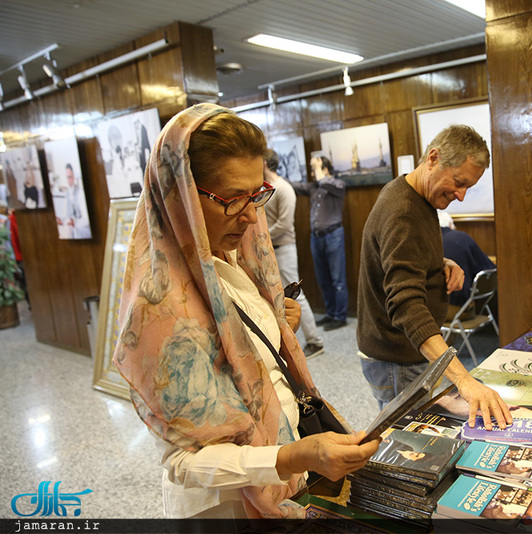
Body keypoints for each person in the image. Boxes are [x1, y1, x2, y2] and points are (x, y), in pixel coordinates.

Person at [112, 103, 379, 520]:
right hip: (226, 506)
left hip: (283, 476)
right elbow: (184, 462)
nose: (252, 215)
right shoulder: (159, 305)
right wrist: (291, 456)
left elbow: (249, 357)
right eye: (233, 199)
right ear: (180, 196)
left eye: (257, 194)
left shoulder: (236, 259)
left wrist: (274, 328)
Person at [357, 124, 512, 430]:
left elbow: (396, 255)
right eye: (458, 182)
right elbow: (406, 305)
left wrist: (440, 261)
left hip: (406, 352)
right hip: (397, 357)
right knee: (408, 444)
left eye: (469, 187)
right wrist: (464, 379)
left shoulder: (415, 196)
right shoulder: (402, 211)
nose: (461, 196)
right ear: (433, 157)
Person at [263, 150, 325, 358]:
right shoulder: (264, 188)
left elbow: (284, 224)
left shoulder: (283, 188)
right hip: (269, 249)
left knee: (296, 295)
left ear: (264, 163)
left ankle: (315, 342)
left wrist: (260, 238)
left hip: (283, 249)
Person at [291, 153, 348, 330]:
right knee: (323, 279)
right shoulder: (313, 187)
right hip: (316, 238)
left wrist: (318, 169)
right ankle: (330, 313)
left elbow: (327, 183)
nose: (313, 173)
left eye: (315, 168)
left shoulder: (338, 184)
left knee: (338, 280)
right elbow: (293, 186)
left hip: (334, 236)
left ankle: (340, 317)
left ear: (324, 169)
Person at [437, 210, 496, 314]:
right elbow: (490, 269)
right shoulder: (462, 238)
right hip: (460, 310)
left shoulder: (428, 242)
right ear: (451, 225)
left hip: (432, 308)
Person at [59, 163, 92, 239]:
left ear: (73, 177)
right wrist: (61, 220)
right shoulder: (66, 195)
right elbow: (65, 215)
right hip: (70, 228)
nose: (68, 180)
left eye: (70, 177)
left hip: (82, 228)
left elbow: (87, 219)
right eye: (66, 178)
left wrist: (75, 222)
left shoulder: (80, 193)